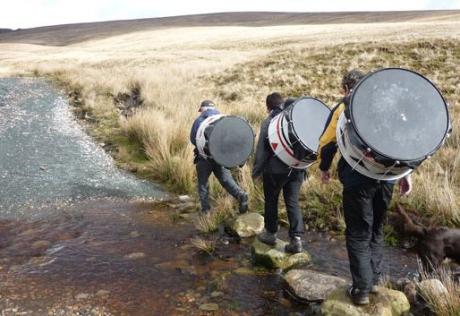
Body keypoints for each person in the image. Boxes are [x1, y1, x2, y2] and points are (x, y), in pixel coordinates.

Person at [318, 70, 412, 305]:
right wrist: (406, 174)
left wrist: (324, 167)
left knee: (358, 232)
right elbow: (405, 143)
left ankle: (361, 289)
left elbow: (328, 142)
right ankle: (373, 281)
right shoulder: (387, 106)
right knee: (377, 229)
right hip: (387, 178)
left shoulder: (344, 107)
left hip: (357, 178)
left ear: (344, 88)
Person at [253, 93, 306, 254]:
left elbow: (261, 151)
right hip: (297, 168)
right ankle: (296, 239)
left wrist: (256, 172)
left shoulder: (270, 121)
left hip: (274, 171)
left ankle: (270, 234)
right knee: (292, 202)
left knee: (271, 200)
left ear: (268, 107)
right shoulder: (295, 119)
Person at [190, 100, 248, 215]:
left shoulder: (199, 120)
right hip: (221, 157)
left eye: (200, 110)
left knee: (203, 183)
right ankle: (241, 195)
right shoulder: (223, 119)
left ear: (203, 109)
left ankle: (206, 211)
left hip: (204, 158)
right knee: (226, 180)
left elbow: (193, 139)